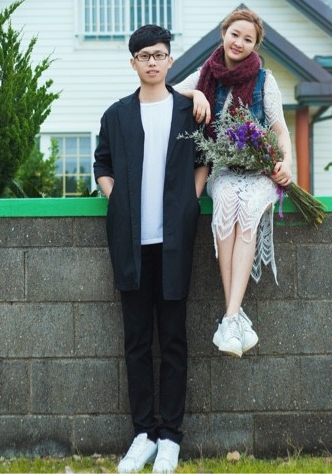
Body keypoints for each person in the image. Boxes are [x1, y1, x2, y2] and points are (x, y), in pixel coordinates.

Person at [94, 24, 209, 474]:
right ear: (133, 63)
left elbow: (203, 160)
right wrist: (117, 201)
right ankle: (143, 434)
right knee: (137, 342)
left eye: (159, 54)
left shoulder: (187, 110)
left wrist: (188, 204)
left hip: (174, 242)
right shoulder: (117, 115)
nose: (152, 62)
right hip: (132, 244)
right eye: (144, 56)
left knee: (174, 341)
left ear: (170, 60)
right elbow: (102, 164)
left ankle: (171, 438)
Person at [176, 8, 293, 358]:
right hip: (223, 170)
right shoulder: (205, 74)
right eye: (235, 34)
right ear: (223, 33)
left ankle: (230, 319)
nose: (239, 42)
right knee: (227, 202)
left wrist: (286, 163)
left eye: (248, 39)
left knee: (248, 206)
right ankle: (234, 319)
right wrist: (196, 95)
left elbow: (279, 129)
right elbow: (167, 92)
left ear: (255, 45)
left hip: (260, 172)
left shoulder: (264, 80)